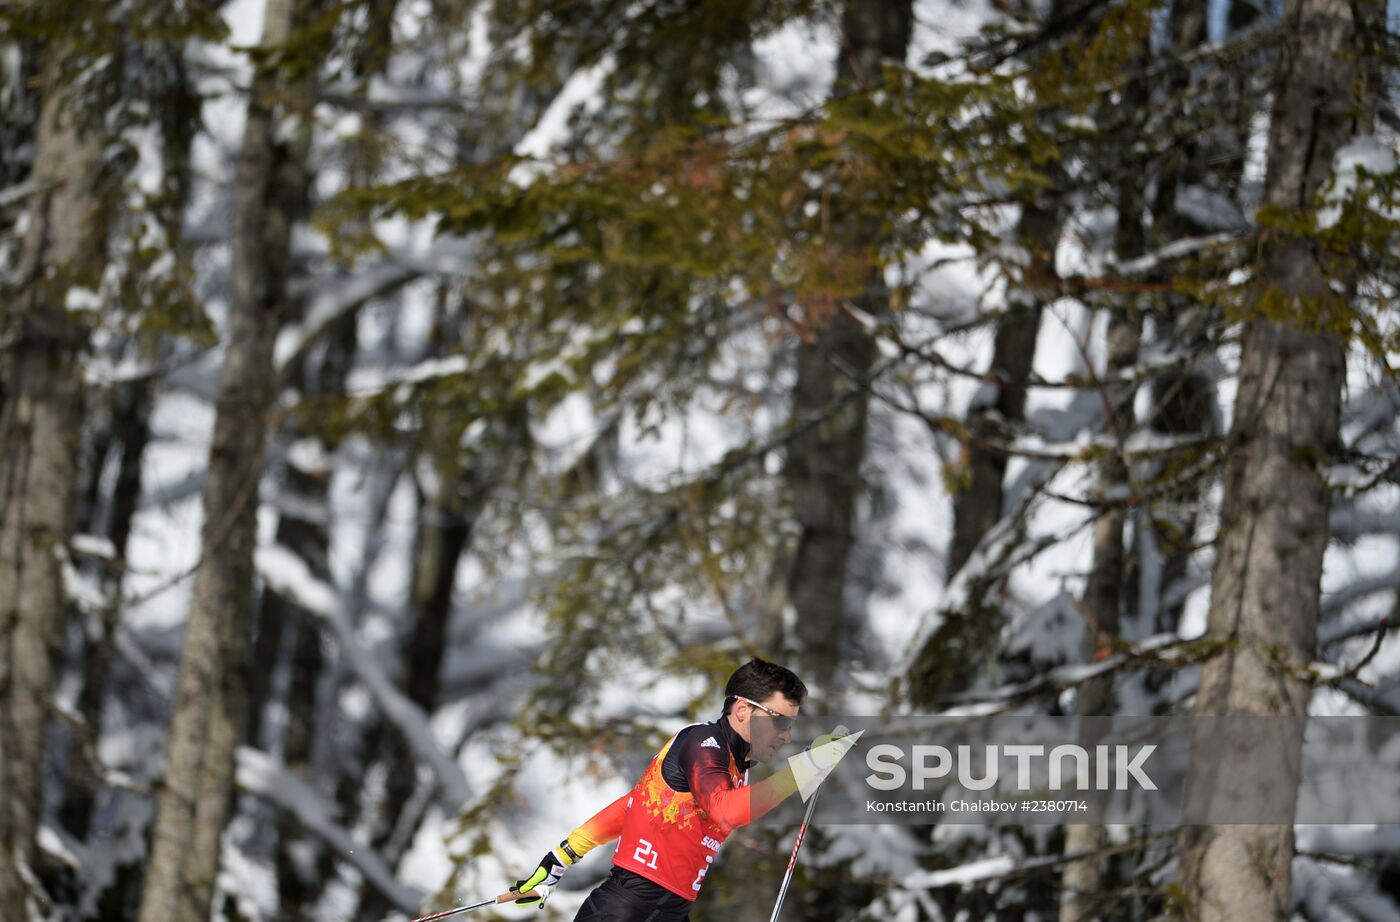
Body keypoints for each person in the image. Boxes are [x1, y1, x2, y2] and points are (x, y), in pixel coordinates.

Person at [512, 657, 857, 921]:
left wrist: (559, 859)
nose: (786, 734)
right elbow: (725, 810)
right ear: (741, 710)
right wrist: (803, 771)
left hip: (669, 912)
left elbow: (638, 804)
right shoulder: (703, 744)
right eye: (779, 719)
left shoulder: (736, 768)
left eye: (791, 724)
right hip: (626, 909)